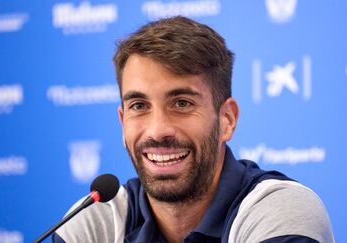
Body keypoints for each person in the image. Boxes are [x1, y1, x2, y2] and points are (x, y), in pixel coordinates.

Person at [53, 16, 334, 243]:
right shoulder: (92, 222)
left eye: (182, 103)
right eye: (139, 106)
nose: (158, 130)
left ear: (227, 120)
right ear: (122, 120)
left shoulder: (281, 212)